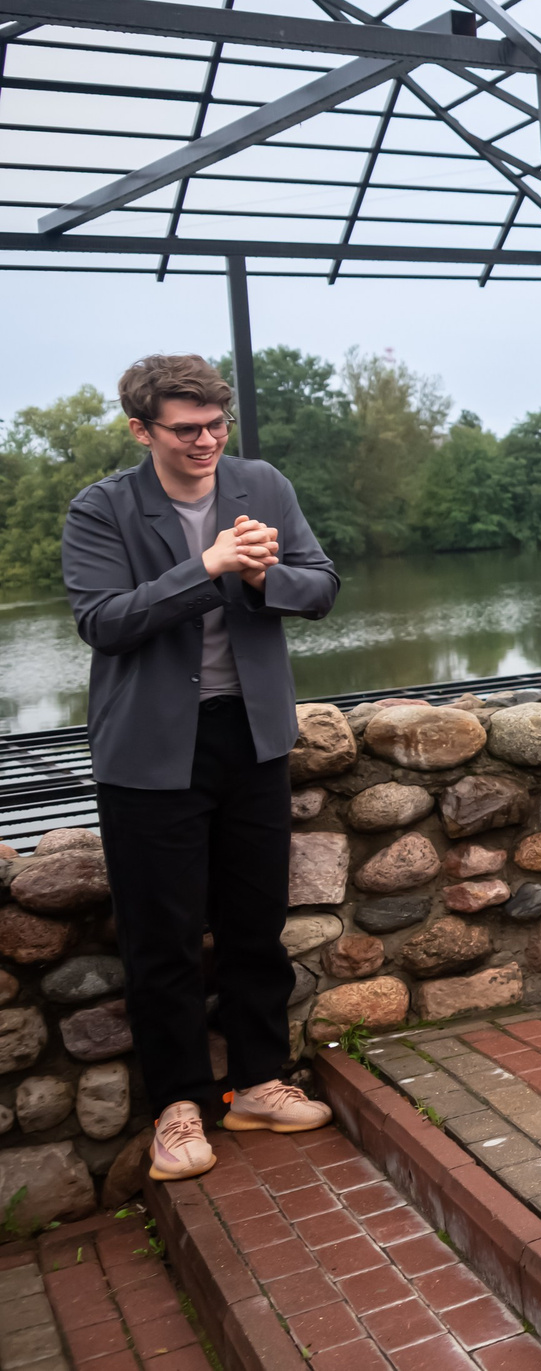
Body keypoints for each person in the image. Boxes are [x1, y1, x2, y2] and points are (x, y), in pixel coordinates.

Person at [60, 354, 342, 1183]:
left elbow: (321, 586)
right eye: (187, 429)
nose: (207, 440)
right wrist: (208, 566)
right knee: (164, 939)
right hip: (150, 749)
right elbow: (104, 621)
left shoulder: (263, 484)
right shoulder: (102, 507)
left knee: (255, 924)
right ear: (141, 429)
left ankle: (257, 1083)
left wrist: (261, 575)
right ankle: (179, 1108)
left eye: (217, 424)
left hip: (251, 736)